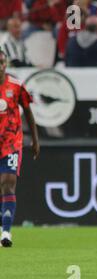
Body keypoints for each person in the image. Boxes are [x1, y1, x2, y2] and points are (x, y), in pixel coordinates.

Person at [0, 50, 39, 247]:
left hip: (11, 142)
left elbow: (28, 112)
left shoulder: (15, 86)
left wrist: (35, 139)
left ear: (5, 64)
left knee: (8, 181)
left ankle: (6, 232)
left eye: (2, 62)